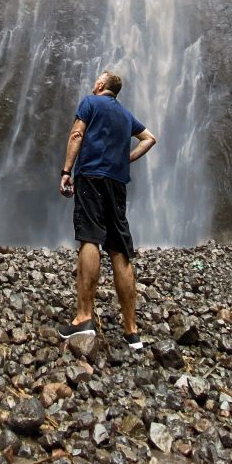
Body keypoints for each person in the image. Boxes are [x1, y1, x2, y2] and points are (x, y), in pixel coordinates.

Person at [58, 70, 156, 350]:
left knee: (90, 237)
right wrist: (126, 159)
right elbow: (150, 138)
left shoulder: (90, 103)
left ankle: (84, 318)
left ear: (101, 85)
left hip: (91, 176)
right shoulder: (126, 116)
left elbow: (77, 134)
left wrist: (66, 170)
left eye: (96, 80)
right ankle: (131, 331)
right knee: (118, 248)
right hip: (117, 181)